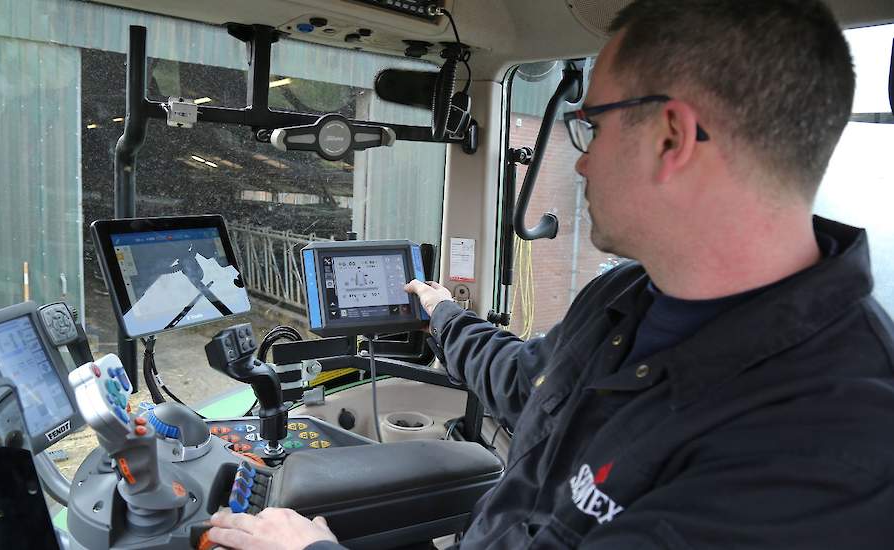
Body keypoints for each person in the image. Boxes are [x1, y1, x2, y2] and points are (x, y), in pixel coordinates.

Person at [206, 0, 894, 548]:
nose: (583, 162)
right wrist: (444, 314)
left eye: (591, 123)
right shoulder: (628, 297)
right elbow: (527, 383)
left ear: (671, 138)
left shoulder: (827, 450)